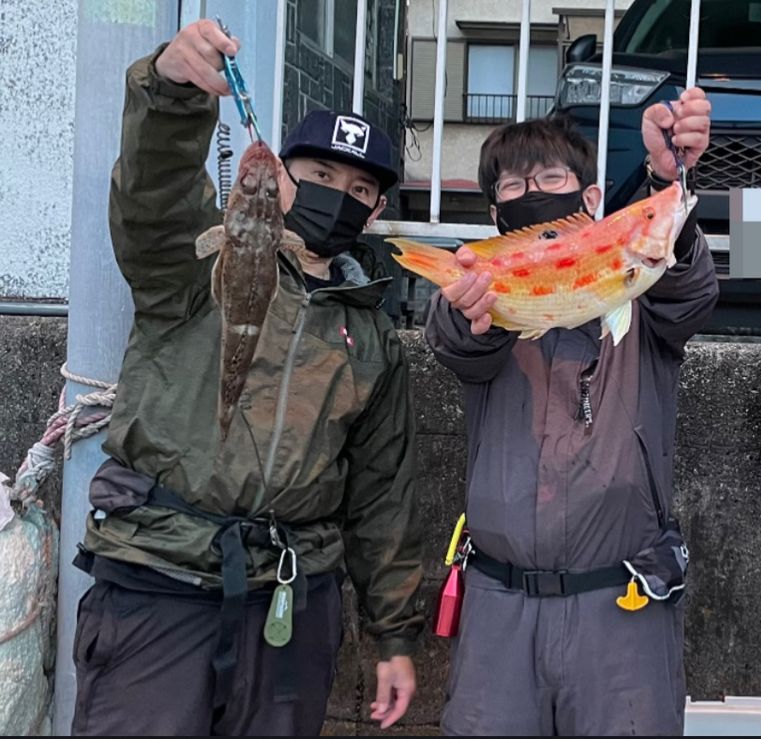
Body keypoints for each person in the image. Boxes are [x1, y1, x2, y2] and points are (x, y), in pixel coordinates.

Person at [71, 20, 423, 735]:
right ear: (283, 175)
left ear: (377, 210)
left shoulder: (374, 337)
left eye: (359, 188)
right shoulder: (197, 266)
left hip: (290, 602)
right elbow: (156, 196)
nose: (338, 195)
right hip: (156, 582)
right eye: (320, 175)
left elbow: (383, 494)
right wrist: (172, 90)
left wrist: (394, 634)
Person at [423, 89, 718, 735]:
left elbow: (688, 291)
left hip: (625, 601)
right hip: (499, 605)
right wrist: (471, 305)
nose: (533, 191)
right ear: (496, 211)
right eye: (513, 184)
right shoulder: (486, 291)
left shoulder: (642, 290)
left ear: (591, 197)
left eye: (551, 176)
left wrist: (666, 180)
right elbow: (453, 339)